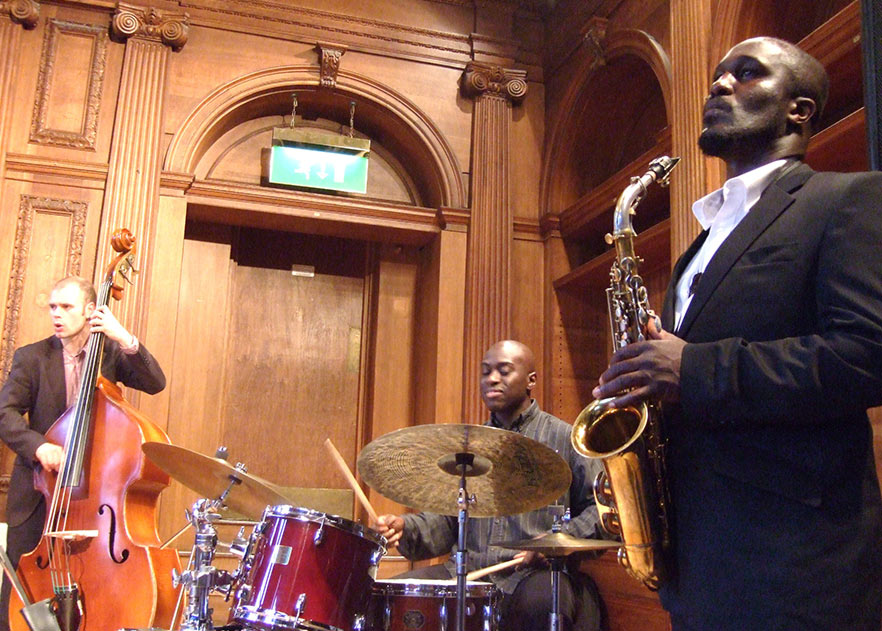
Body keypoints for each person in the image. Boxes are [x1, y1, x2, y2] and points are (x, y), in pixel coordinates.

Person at [592, 37, 882, 631]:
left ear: (798, 110)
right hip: (697, 564)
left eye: (746, 75)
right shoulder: (694, 251)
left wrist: (692, 368)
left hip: (794, 567)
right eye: (718, 76)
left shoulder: (848, 199)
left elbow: (867, 355)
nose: (719, 86)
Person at [374, 340, 605, 631]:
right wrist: (405, 527)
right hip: (468, 574)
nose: (492, 378)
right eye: (485, 372)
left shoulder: (566, 439)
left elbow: (601, 512)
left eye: (504, 371)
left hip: (530, 575)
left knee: (544, 601)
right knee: (389, 596)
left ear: (531, 380)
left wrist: (555, 544)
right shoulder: (471, 445)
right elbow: (447, 518)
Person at [0, 275, 166, 631]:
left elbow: (155, 383)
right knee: (20, 602)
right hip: (39, 495)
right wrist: (39, 446)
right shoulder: (32, 357)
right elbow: (6, 414)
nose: (56, 315)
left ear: (91, 310)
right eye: (52, 308)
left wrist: (124, 338)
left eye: (66, 307)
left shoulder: (109, 355)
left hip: (94, 498)